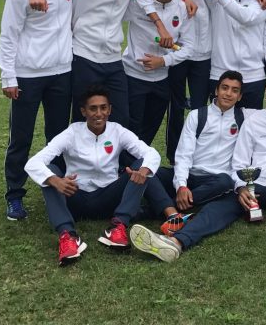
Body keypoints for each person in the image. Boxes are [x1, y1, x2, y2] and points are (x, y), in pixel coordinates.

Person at [130, 70, 266, 268]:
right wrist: (241, 187)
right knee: (215, 211)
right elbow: (238, 162)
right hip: (253, 184)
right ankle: (175, 243)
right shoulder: (252, 119)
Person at [24, 86, 168, 266]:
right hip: (75, 196)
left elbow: (151, 153)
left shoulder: (117, 131)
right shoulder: (72, 132)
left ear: (110, 110)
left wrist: (144, 170)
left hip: (108, 198)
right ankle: (67, 236)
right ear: (83, 111)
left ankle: (118, 227)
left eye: (103, 108)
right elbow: (33, 163)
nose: (99, 113)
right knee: (50, 171)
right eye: (93, 108)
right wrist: (55, 180)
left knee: (140, 166)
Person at [25, 0, 151, 127]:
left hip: (113, 59)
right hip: (84, 56)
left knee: (120, 119)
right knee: (82, 119)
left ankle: (114, 150)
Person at [0, 0, 73, 221]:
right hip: (27, 76)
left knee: (58, 138)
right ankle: (14, 196)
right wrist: (8, 76)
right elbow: (9, 35)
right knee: (21, 138)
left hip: (62, 74)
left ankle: (56, 191)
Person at [122, 0, 192, 151]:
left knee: (150, 128)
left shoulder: (183, 8)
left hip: (162, 79)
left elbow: (189, 47)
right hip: (133, 76)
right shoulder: (136, 2)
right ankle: (123, 166)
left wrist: (163, 60)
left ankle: (139, 164)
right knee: (130, 128)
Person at [165, 0, 212, 159]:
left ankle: (197, 154)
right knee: (175, 107)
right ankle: (174, 155)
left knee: (199, 108)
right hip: (177, 52)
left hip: (203, 54)